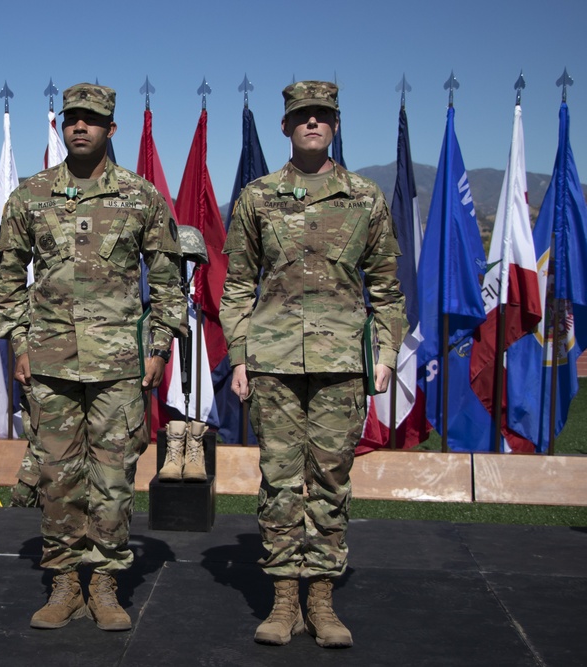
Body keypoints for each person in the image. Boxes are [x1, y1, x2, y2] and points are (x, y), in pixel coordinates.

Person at [220, 81, 405, 649]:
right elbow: (236, 287)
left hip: (342, 363)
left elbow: (388, 292)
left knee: (329, 479)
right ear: (286, 125)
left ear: (336, 123)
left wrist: (386, 355)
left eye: (323, 115)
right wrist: (240, 353)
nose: (313, 124)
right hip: (273, 362)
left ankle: (321, 599)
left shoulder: (365, 198)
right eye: (302, 116)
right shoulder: (257, 197)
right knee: (279, 481)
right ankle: (282, 600)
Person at [0, 82, 185, 631]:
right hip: (50, 362)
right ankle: (64, 583)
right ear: (62, 126)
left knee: (113, 479)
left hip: (118, 365)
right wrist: (19, 344)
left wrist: (158, 347)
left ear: (111, 129)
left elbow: (168, 281)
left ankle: (104, 581)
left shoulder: (140, 196)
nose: (80, 126)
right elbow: (7, 276)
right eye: (72, 118)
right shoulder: (30, 196)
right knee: (56, 476)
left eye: (92, 119)